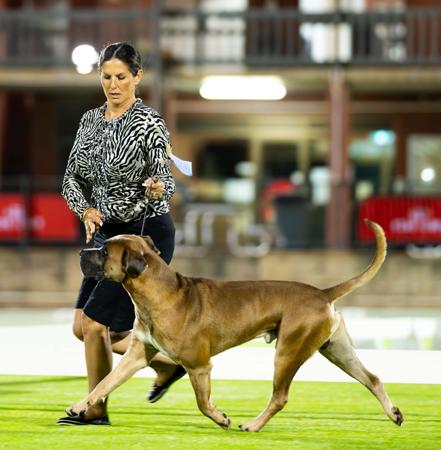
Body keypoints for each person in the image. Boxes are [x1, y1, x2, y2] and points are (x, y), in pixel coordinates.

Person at [58, 42, 185, 425]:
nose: (113, 85)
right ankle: (167, 365)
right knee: (84, 328)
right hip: (106, 236)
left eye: (121, 77)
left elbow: (166, 179)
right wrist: (86, 210)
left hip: (141, 238)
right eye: (106, 77)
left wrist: (159, 188)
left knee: (96, 323)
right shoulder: (90, 120)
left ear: (137, 76)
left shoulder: (148, 122)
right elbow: (71, 178)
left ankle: (94, 408)